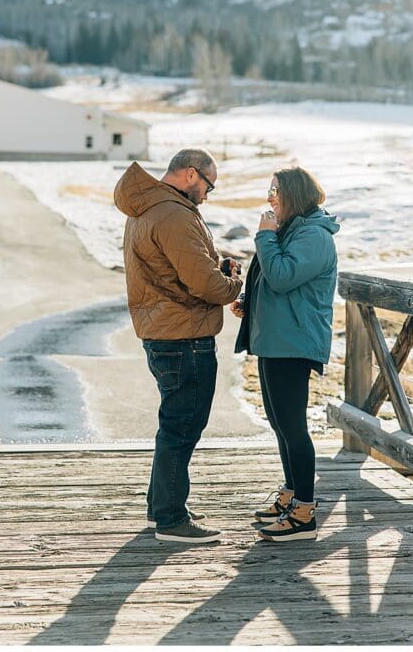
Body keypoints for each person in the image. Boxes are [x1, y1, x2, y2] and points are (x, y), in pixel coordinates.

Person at [114, 149, 243, 543]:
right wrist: (233, 283)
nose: (208, 195)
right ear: (191, 175)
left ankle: (161, 508)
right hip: (185, 336)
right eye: (209, 185)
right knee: (183, 425)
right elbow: (206, 286)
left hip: (163, 332)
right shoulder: (173, 214)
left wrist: (213, 266)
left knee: (173, 422)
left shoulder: (147, 207)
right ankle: (171, 519)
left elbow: (174, 270)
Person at [232, 166, 339, 542]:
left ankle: (304, 515)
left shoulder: (314, 235)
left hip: (293, 342)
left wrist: (264, 235)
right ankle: (292, 495)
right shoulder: (295, 228)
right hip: (276, 338)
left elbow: (281, 275)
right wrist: (250, 299)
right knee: (280, 423)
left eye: (275, 190)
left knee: (293, 426)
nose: (269, 196)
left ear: (294, 194)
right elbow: (276, 282)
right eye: (269, 189)